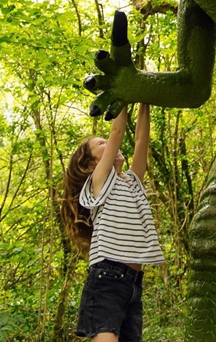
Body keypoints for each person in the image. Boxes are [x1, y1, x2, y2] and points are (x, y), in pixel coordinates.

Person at [63, 103, 164, 342]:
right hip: (106, 278)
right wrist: (123, 93)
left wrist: (144, 100)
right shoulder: (99, 182)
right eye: (101, 144)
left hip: (133, 283)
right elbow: (117, 133)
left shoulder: (131, 182)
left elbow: (141, 140)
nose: (109, 145)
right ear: (90, 165)